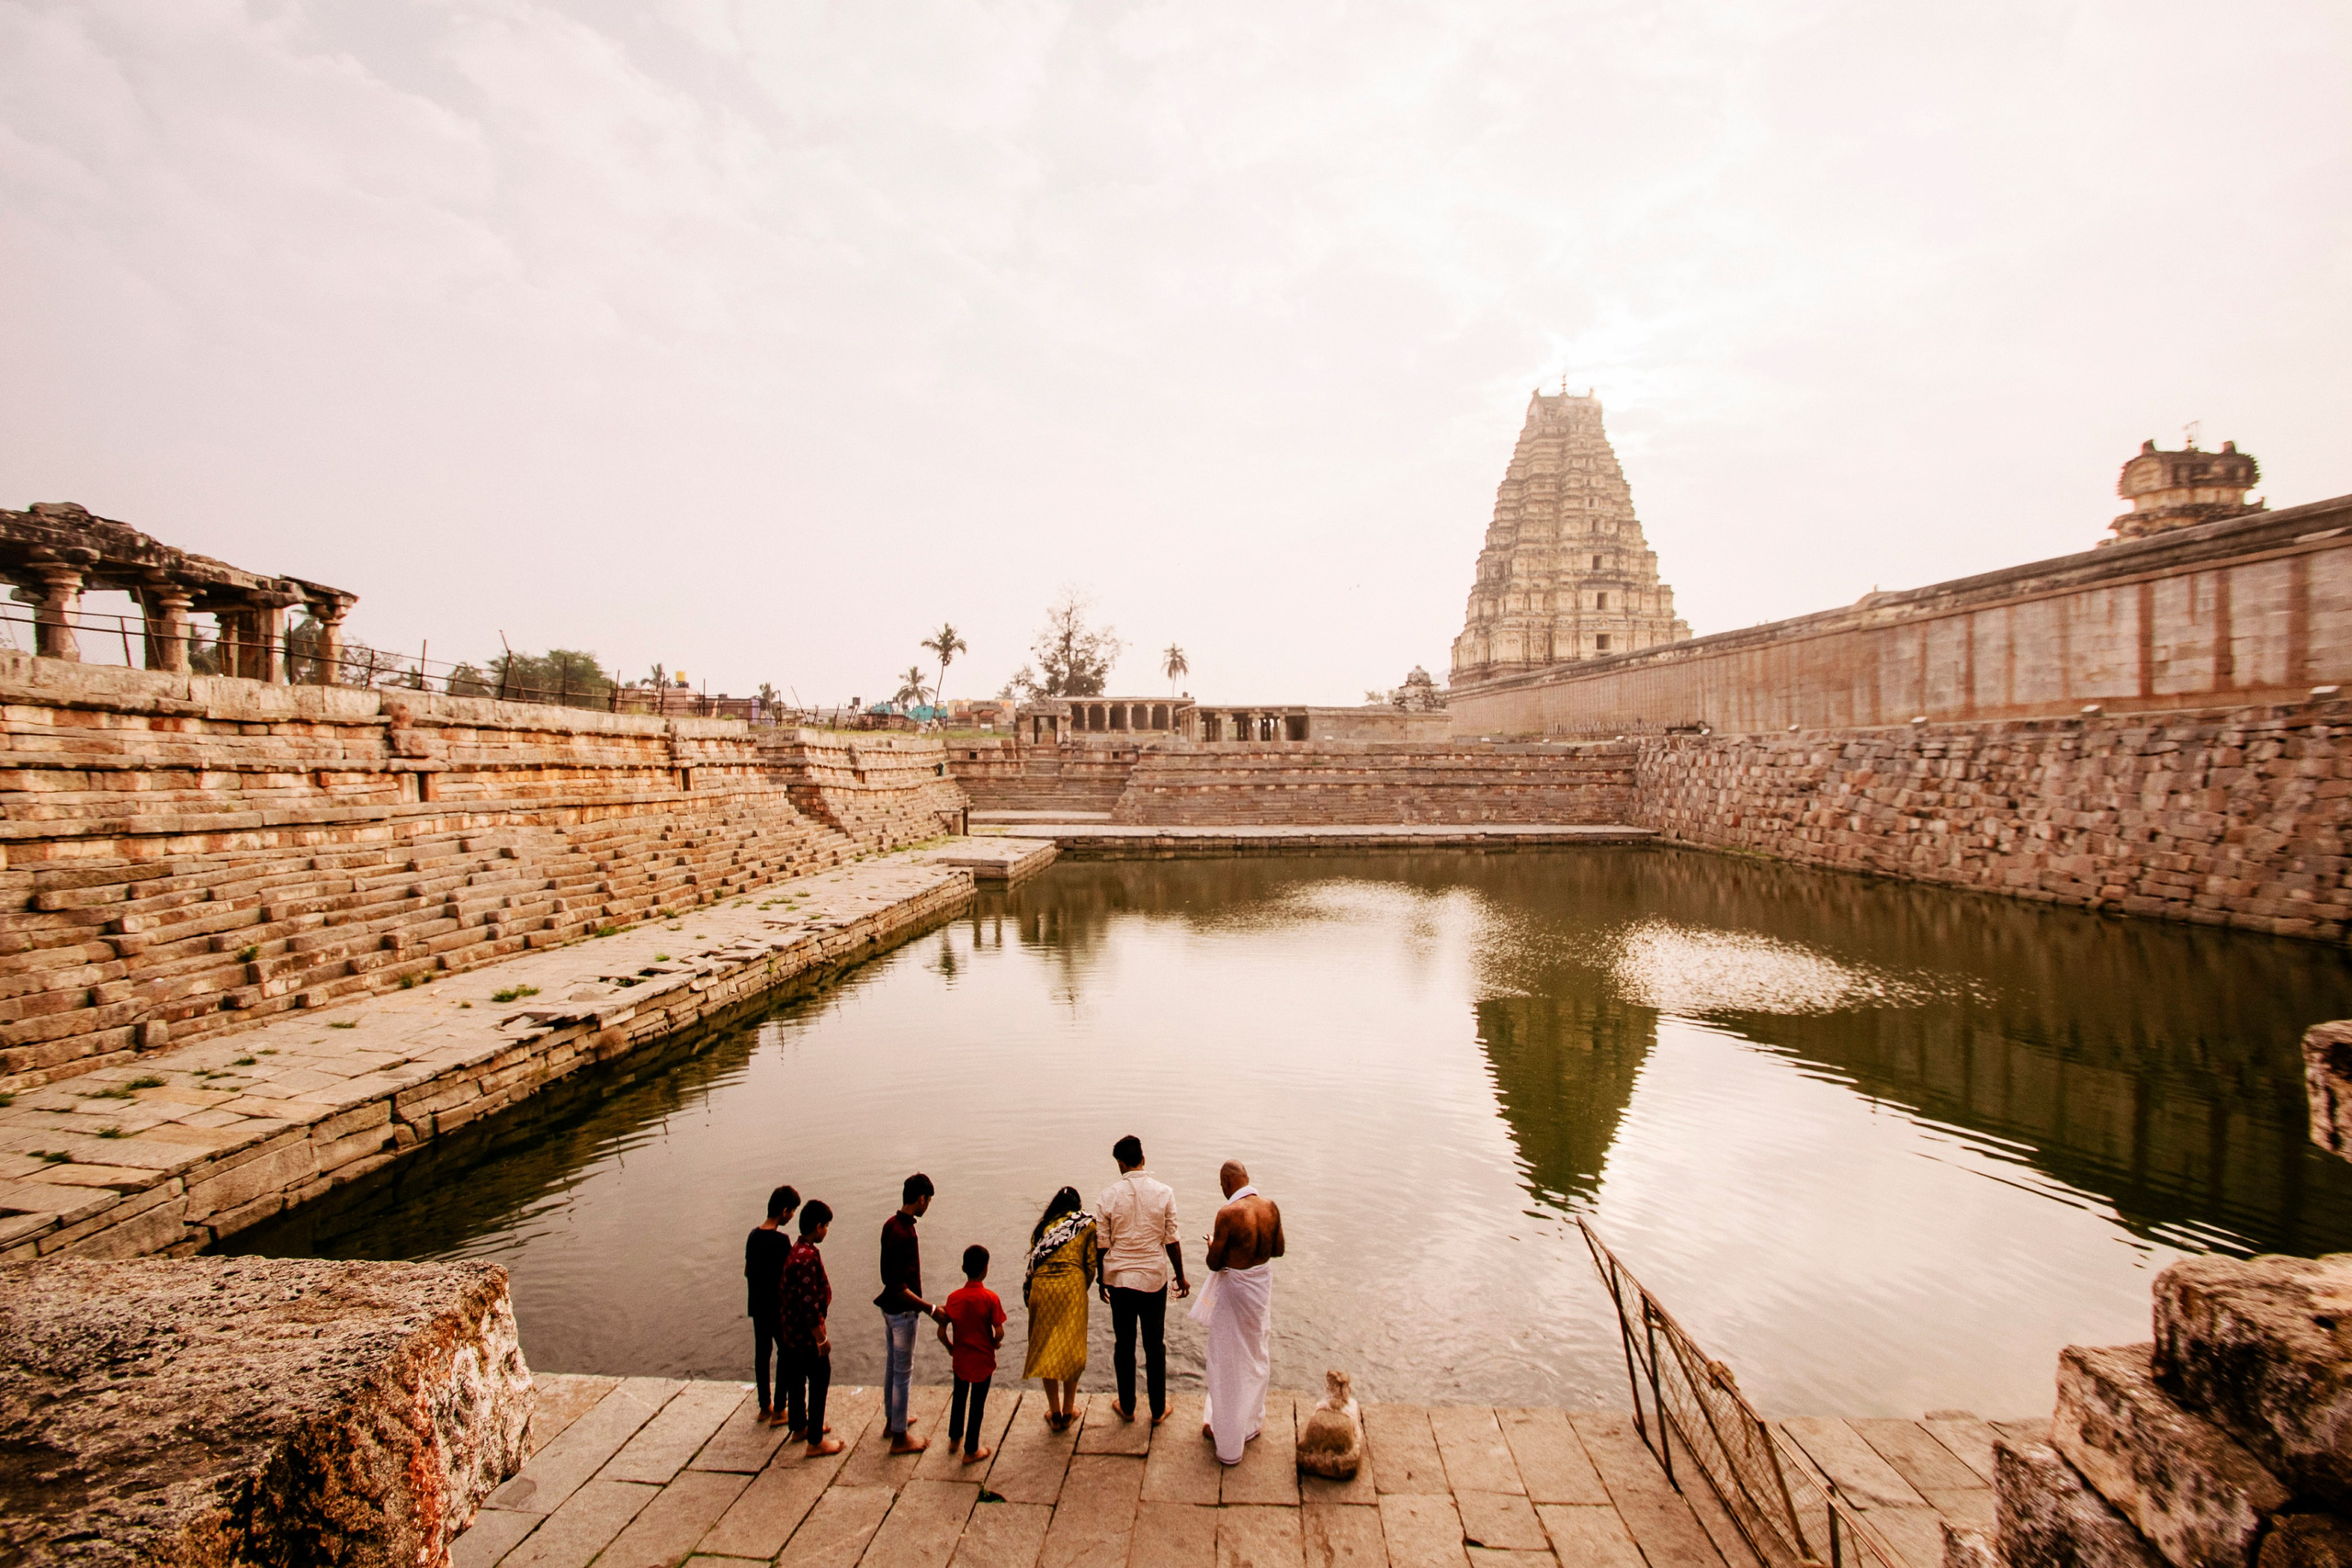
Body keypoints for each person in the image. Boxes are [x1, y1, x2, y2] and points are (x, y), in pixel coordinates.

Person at [1191, 1159, 1283, 1466]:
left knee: (1226, 1358)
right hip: (1260, 1287)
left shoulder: (1228, 1214)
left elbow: (1214, 1264)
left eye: (1222, 1185)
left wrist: (1213, 1245)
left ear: (1227, 1183)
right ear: (1247, 1178)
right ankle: (1251, 1424)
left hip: (1236, 1290)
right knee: (1256, 1352)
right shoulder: (1270, 1207)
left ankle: (1228, 1442)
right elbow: (1279, 1249)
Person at [1094, 1134, 1188, 1426]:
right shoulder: (1164, 1193)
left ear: (1121, 1164)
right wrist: (1181, 1276)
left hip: (1120, 1279)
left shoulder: (1108, 1196)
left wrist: (1101, 1280)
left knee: (1124, 1345)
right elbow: (1171, 1239)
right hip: (1153, 1280)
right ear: (1143, 1159)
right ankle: (1158, 1410)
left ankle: (1128, 1406)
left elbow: (1102, 1244)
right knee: (1154, 1345)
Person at [876, 1172, 944, 1455]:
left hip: (889, 1310)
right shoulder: (905, 1234)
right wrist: (930, 1309)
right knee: (904, 1372)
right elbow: (899, 1285)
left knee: (893, 1365)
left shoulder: (891, 1225)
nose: (927, 1206)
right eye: (928, 1201)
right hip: (903, 1312)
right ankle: (900, 1438)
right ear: (921, 1199)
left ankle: (894, 1420)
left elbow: (887, 1279)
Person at [1020, 1185, 1097, 1430]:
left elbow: (1035, 1259)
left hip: (1041, 1289)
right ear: (1077, 1206)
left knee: (1045, 1347)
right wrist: (1077, 1290)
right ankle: (1068, 1410)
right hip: (1071, 1287)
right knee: (1072, 1348)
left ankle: (1054, 1413)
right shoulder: (1086, 1225)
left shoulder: (1042, 1229)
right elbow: (1091, 1265)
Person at [780, 1200, 843, 1457]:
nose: (826, 1231)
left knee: (796, 1379)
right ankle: (815, 1442)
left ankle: (799, 1427)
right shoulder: (806, 1258)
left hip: (791, 1333)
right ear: (818, 1227)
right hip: (806, 1334)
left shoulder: (797, 1249)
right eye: (826, 1226)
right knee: (819, 1378)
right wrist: (821, 1339)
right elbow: (809, 1304)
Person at [937, 1243, 1007, 1464]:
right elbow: (999, 1331)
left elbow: (941, 1331)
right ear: (986, 1269)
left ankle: (954, 1438)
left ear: (963, 1268)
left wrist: (950, 1347)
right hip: (983, 1360)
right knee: (977, 1404)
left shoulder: (954, 1298)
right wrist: (995, 1344)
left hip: (961, 1359)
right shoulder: (990, 1298)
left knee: (959, 1397)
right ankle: (971, 1450)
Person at [746, 1184, 798, 1427]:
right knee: (786, 1353)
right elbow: (790, 1276)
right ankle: (780, 1409)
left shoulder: (753, 1236)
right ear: (785, 1211)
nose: (792, 1217)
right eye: (792, 1212)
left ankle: (763, 1406)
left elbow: (747, 1271)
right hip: (777, 1307)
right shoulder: (781, 1241)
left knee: (762, 1353)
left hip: (757, 1306)